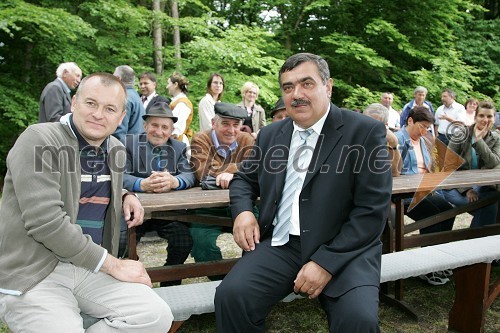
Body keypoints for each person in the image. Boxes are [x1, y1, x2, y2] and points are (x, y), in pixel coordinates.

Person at [215, 53, 392, 332]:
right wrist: (244, 212)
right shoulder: (272, 134)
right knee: (231, 297)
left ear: (328, 86)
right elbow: (243, 180)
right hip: (283, 245)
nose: (296, 94)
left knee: (358, 321)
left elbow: (371, 212)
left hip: (345, 249)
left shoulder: (365, 132)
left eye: (306, 84)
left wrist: (325, 262)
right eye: (288, 87)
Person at [0, 73, 173, 332]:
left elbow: (83, 185)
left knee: (154, 315)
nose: (98, 114)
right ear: (74, 103)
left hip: (86, 267)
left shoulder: (114, 149)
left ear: (121, 117)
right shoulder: (38, 140)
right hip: (35, 270)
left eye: (110, 108)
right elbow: (46, 223)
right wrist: (115, 265)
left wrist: (125, 194)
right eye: (91, 103)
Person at [121, 102, 196, 286]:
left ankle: (170, 280)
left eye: (165, 127)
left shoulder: (178, 147)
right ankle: (129, 281)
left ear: (171, 130)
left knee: (184, 240)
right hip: (134, 212)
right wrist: (141, 184)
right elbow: (118, 175)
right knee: (122, 243)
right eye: (154, 125)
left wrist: (174, 181)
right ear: (145, 126)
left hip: (166, 213)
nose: (159, 131)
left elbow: (190, 174)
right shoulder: (127, 143)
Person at [189, 103, 254, 270]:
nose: (231, 130)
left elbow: (255, 168)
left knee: (259, 235)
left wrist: (231, 175)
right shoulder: (200, 139)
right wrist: (240, 171)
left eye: (236, 125)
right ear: (213, 123)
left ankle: (248, 276)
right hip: (209, 207)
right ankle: (219, 279)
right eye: (225, 123)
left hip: (242, 202)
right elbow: (203, 172)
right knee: (201, 243)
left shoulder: (247, 139)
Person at [395, 106, 456, 285]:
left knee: (448, 210)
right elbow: (392, 173)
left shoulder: (423, 141)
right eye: (422, 126)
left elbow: (429, 167)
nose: (424, 131)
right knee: (432, 215)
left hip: (423, 190)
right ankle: (427, 267)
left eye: (428, 128)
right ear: (410, 121)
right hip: (403, 195)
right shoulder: (397, 140)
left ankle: (438, 260)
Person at [442, 101, 499, 227]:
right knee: (490, 203)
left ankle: (474, 238)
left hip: (482, 186)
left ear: (494, 119)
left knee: (492, 201)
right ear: (475, 117)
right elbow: (449, 166)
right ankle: (476, 240)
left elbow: (493, 162)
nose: (485, 120)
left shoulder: (496, 138)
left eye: (489, 116)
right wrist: (467, 189)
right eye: (481, 116)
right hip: (455, 186)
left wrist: (479, 141)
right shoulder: (460, 134)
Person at [363, 103, 402, 176]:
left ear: (386, 125)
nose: (369, 128)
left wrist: (394, 144)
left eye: (374, 124)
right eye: (366, 122)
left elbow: (395, 173)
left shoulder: (389, 140)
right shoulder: (354, 136)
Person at [112, 65, 145, 143]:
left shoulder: (123, 97)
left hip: (124, 149)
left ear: (118, 78)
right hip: (137, 146)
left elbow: (119, 131)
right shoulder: (136, 96)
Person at [167, 71, 194, 146]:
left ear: (175, 84)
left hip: (176, 143)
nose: (167, 86)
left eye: (168, 83)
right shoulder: (177, 101)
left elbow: (177, 128)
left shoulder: (182, 103)